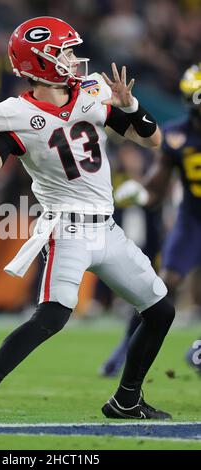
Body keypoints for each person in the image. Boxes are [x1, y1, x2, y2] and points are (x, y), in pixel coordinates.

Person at [0, 17, 175, 420]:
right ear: (40, 62)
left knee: (160, 311)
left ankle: (126, 399)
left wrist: (132, 107)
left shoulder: (91, 92)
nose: (71, 58)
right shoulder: (14, 113)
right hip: (66, 229)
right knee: (52, 317)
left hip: (108, 227)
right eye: (62, 51)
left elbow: (152, 139)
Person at [100, 63, 201, 377]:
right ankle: (126, 347)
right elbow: (157, 187)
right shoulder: (176, 135)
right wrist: (141, 193)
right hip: (193, 220)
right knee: (161, 285)